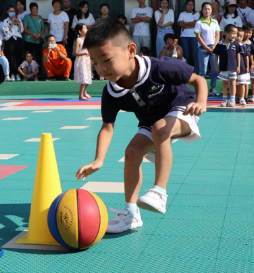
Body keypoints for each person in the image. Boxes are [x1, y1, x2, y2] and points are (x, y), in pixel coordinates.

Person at [75, 18, 208, 233]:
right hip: (151, 120)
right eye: (95, 62)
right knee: (132, 152)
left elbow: (198, 80)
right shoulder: (111, 91)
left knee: (160, 129)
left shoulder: (157, 67)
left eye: (106, 59)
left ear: (130, 50)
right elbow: (107, 126)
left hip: (183, 107)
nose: (101, 68)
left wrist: (201, 102)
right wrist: (98, 160)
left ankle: (159, 193)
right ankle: (131, 214)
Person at [195, 2, 221, 96]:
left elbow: (217, 35)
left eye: (209, 9)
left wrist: (214, 46)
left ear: (211, 11)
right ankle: (202, 91)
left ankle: (212, 89)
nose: (207, 11)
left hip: (214, 48)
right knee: (203, 71)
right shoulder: (199, 22)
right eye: (205, 9)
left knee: (215, 70)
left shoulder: (215, 21)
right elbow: (198, 37)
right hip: (203, 48)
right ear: (202, 11)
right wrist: (206, 47)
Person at [214, 24, 241, 107]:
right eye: (232, 33)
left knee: (233, 83)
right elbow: (216, 55)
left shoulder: (236, 44)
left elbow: (238, 55)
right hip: (223, 68)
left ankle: (232, 100)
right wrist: (216, 65)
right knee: (225, 84)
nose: (234, 35)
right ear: (226, 33)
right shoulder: (220, 44)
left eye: (236, 33)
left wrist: (238, 66)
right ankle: (225, 100)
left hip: (233, 68)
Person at [3, 5, 24, 81]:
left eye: (13, 11)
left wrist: (17, 22)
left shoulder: (19, 20)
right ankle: (11, 74)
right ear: (7, 12)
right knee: (10, 57)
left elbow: (21, 31)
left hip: (18, 39)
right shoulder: (5, 21)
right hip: (10, 39)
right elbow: (5, 32)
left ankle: (18, 74)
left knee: (19, 57)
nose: (12, 12)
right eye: (10, 11)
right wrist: (12, 23)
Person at [23, 2, 44, 74]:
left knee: (38, 57)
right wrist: (34, 35)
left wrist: (38, 35)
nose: (35, 10)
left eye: (36, 8)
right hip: (29, 40)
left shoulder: (40, 17)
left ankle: (38, 73)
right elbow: (25, 29)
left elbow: (43, 29)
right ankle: (29, 73)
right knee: (29, 57)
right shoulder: (27, 17)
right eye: (33, 9)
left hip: (38, 40)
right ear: (30, 10)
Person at [178, 0, 200, 72]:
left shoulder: (197, 14)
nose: (190, 6)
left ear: (193, 6)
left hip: (194, 36)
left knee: (195, 54)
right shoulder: (182, 14)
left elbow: (195, 23)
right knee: (186, 54)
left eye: (191, 5)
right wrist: (191, 24)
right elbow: (180, 24)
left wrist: (185, 23)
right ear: (186, 6)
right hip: (184, 36)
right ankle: (186, 70)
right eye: (188, 5)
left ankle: (196, 70)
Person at [73, 24, 91, 100]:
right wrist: (84, 53)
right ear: (80, 31)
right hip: (81, 61)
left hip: (87, 60)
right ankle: (80, 95)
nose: (87, 29)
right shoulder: (78, 40)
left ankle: (84, 92)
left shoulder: (87, 39)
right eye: (85, 28)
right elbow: (75, 53)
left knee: (88, 78)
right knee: (83, 78)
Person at [235, 27, 250, 105]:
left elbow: (247, 57)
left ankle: (243, 98)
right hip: (233, 68)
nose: (238, 38)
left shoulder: (243, 46)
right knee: (236, 84)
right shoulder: (231, 45)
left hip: (242, 68)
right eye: (237, 35)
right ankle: (237, 97)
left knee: (242, 84)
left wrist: (247, 67)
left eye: (240, 36)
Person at [242, 24, 254, 101]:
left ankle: (245, 97)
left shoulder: (250, 43)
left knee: (246, 82)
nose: (248, 34)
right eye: (246, 32)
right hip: (240, 65)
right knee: (240, 83)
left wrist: (252, 62)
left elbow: (251, 54)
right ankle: (240, 97)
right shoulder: (238, 43)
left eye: (249, 33)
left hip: (247, 66)